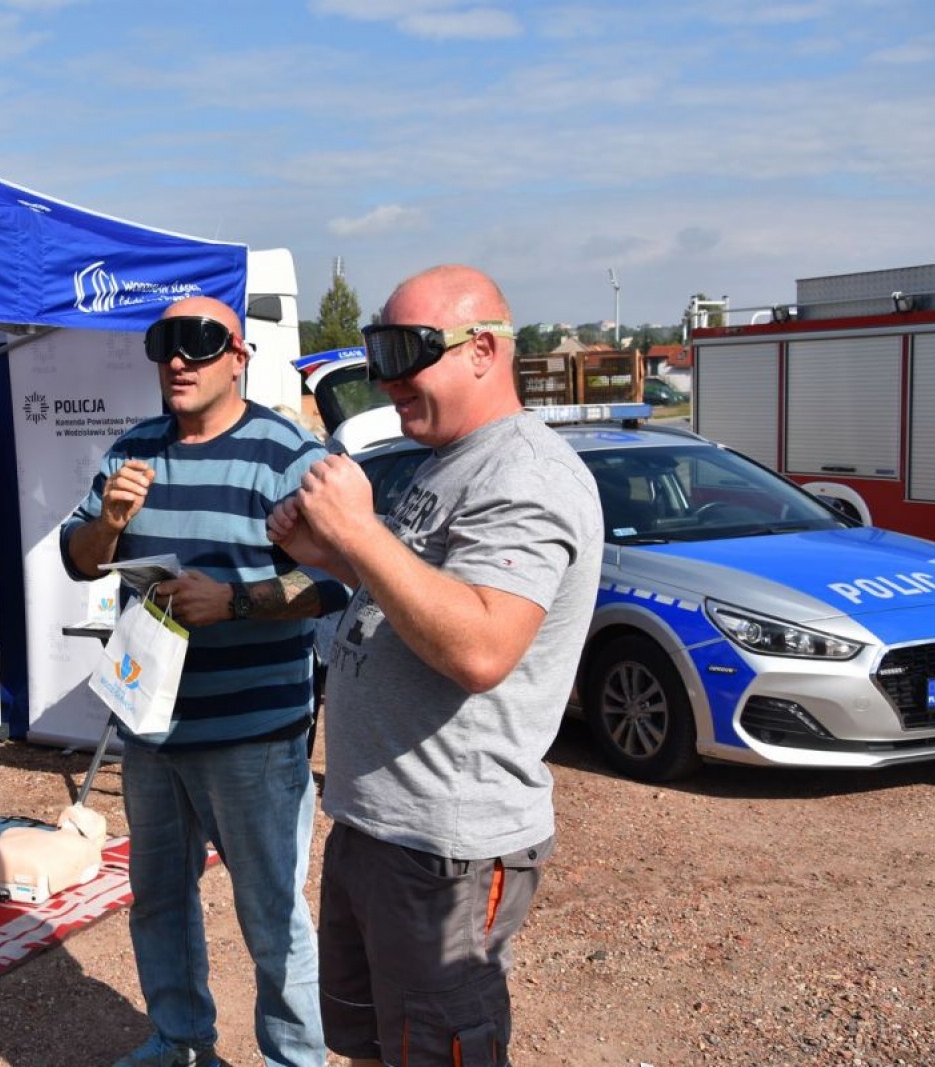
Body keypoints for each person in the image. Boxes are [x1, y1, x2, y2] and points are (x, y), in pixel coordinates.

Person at [266, 265, 603, 1067]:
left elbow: (482, 647)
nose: (386, 378)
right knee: (375, 1043)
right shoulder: (450, 459)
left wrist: (359, 532)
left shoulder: (526, 475)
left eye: (405, 351)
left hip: (444, 846)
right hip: (378, 825)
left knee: (438, 1050)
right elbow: (419, 600)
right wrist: (333, 553)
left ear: (483, 349)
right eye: (375, 351)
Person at [60, 295, 347, 1067]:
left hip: (254, 740)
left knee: (272, 916)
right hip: (150, 729)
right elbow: (80, 556)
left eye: (199, 341)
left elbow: (337, 582)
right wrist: (110, 524)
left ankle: (295, 1058)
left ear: (238, 356)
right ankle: (181, 1041)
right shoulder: (134, 449)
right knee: (157, 900)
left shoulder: (286, 453)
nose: (178, 357)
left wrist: (237, 602)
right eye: (164, 342)